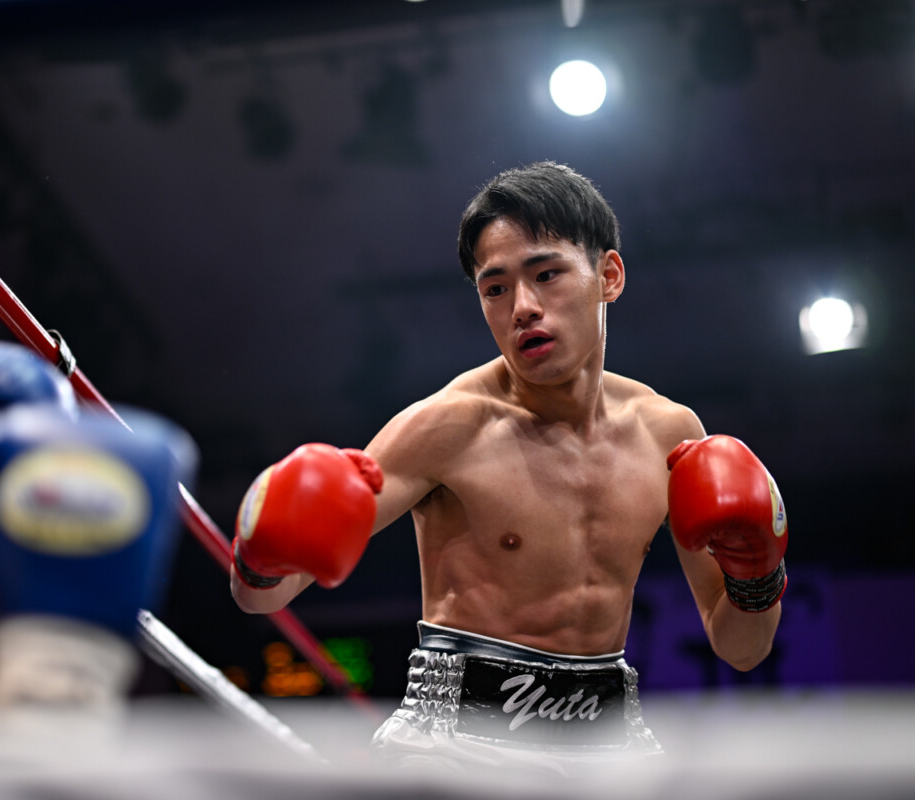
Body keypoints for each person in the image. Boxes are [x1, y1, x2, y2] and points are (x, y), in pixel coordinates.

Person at [229, 162, 787, 771]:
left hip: (607, 749)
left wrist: (754, 576)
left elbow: (743, 650)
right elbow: (264, 599)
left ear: (608, 275)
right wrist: (260, 557)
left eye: (546, 275)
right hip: (454, 748)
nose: (522, 306)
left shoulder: (670, 436)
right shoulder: (448, 427)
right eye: (495, 288)